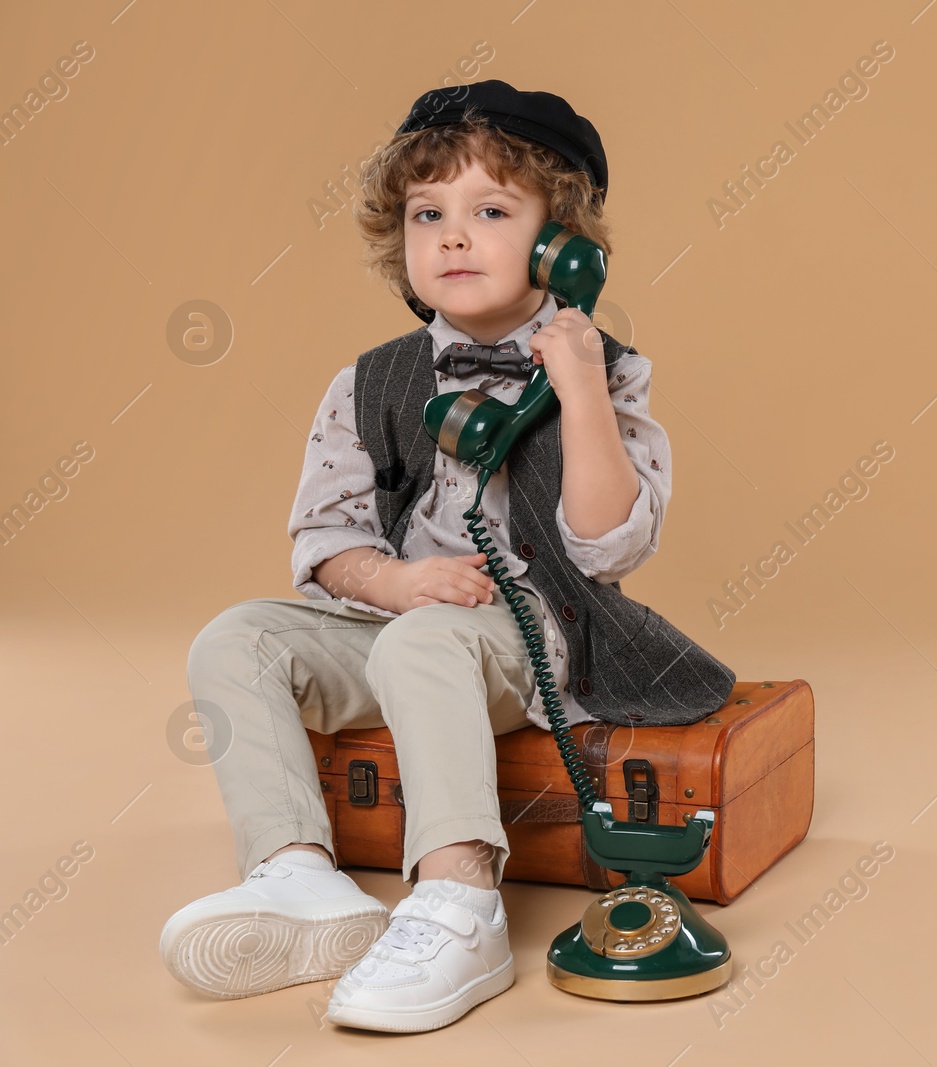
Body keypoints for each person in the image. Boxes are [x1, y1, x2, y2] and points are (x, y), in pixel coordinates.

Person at [160, 80, 736, 1033]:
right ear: (402, 239)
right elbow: (327, 538)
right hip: (394, 626)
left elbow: (609, 540)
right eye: (430, 214)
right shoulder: (370, 380)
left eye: (492, 211)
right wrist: (395, 579)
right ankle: (299, 875)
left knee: (424, 642)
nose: (454, 237)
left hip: (533, 636)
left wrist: (579, 387)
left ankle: (459, 900)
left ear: (564, 246)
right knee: (238, 637)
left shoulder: (608, 371)